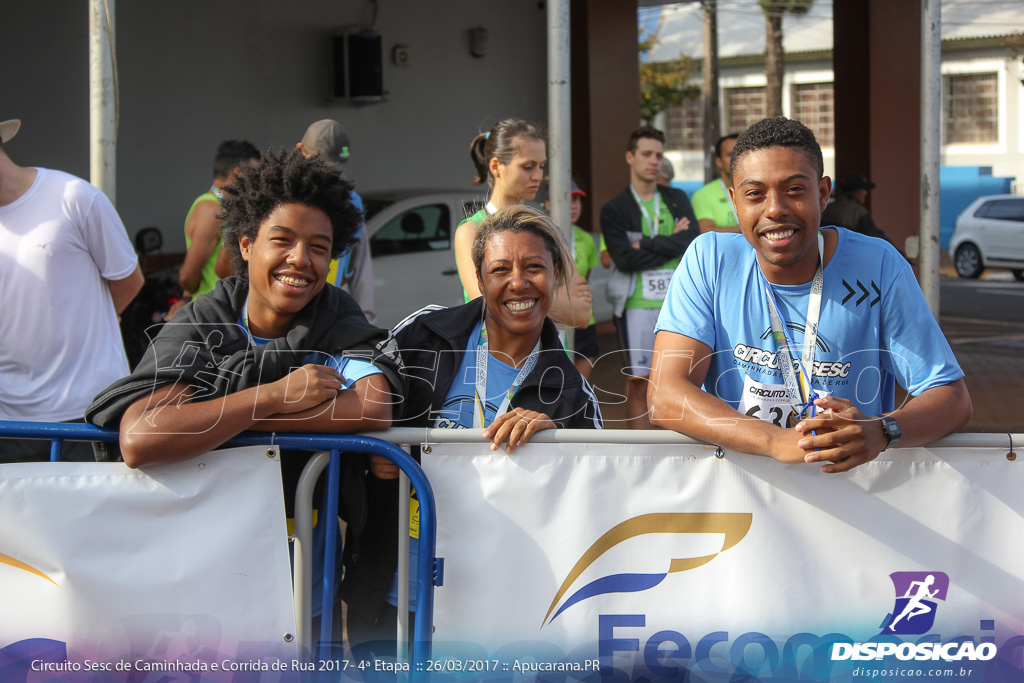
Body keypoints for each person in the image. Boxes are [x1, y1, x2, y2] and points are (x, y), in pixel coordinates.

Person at [343, 205, 603, 662]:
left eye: (535, 267)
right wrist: (372, 444)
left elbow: (602, 490)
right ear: (480, 279)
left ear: (556, 275)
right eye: (500, 269)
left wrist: (558, 438)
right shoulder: (425, 332)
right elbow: (355, 389)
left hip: (500, 605)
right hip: (394, 593)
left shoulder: (573, 393)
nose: (518, 283)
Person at [648, 117, 972, 473]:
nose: (775, 209)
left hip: (852, 491)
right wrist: (773, 440)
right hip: (743, 495)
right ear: (735, 202)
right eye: (755, 194)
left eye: (794, 190)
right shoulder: (709, 259)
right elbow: (665, 395)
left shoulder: (878, 265)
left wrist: (883, 430)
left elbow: (952, 398)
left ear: (822, 193)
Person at [86, 148, 402, 469]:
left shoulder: (336, 315)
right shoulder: (204, 320)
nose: (300, 258)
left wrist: (223, 419)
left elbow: (373, 405)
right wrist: (274, 397)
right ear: (246, 245)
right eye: (282, 240)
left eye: (319, 247)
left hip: (305, 518)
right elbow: (141, 437)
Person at [0, 117, 143, 462]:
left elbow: (129, 281)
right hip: (9, 424)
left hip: (91, 413)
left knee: (98, 516)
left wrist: (86, 331)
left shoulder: (73, 197)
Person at [600, 125, 697, 429]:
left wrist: (645, 244)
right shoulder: (614, 209)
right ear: (630, 157)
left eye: (658, 154)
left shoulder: (677, 197)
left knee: (680, 376)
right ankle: (640, 447)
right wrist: (670, 242)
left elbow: (690, 240)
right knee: (640, 378)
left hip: (678, 301)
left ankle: (676, 442)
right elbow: (625, 260)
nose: (654, 160)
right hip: (636, 304)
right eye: (646, 154)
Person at [455, 118, 591, 328]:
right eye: (528, 167)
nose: (538, 176)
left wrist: (518, 297)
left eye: (541, 166)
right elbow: (486, 305)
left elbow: (582, 314)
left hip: (550, 357)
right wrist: (551, 296)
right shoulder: (471, 230)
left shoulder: (548, 229)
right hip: (496, 357)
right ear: (496, 166)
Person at [297, 118, 377, 323]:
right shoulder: (280, 200)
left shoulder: (352, 202)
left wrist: (364, 322)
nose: (328, 176)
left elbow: (360, 268)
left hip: (333, 315)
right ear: (300, 152)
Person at [179, 139, 260, 297]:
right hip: (213, 313)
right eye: (254, 174)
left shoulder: (222, 206)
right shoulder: (212, 210)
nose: (257, 182)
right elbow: (187, 277)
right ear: (238, 173)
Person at [544, 180, 602, 379]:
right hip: (553, 320)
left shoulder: (586, 239)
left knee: (578, 388)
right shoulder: (540, 236)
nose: (574, 205)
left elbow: (582, 282)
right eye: (568, 199)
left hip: (584, 318)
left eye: (577, 199)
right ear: (548, 204)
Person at [821, 170, 894, 244]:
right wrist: (900, 253)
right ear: (856, 192)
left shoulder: (828, 208)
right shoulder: (858, 212)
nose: (865, 193)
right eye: (863, 189)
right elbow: (875, 237)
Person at [690, 133, 741, 233]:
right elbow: (706, 232)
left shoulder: (760, 189)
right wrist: (748, 229)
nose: (736, 159)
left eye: (741, 153)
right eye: (730, 155)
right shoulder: (703, 195)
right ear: (719, 162)